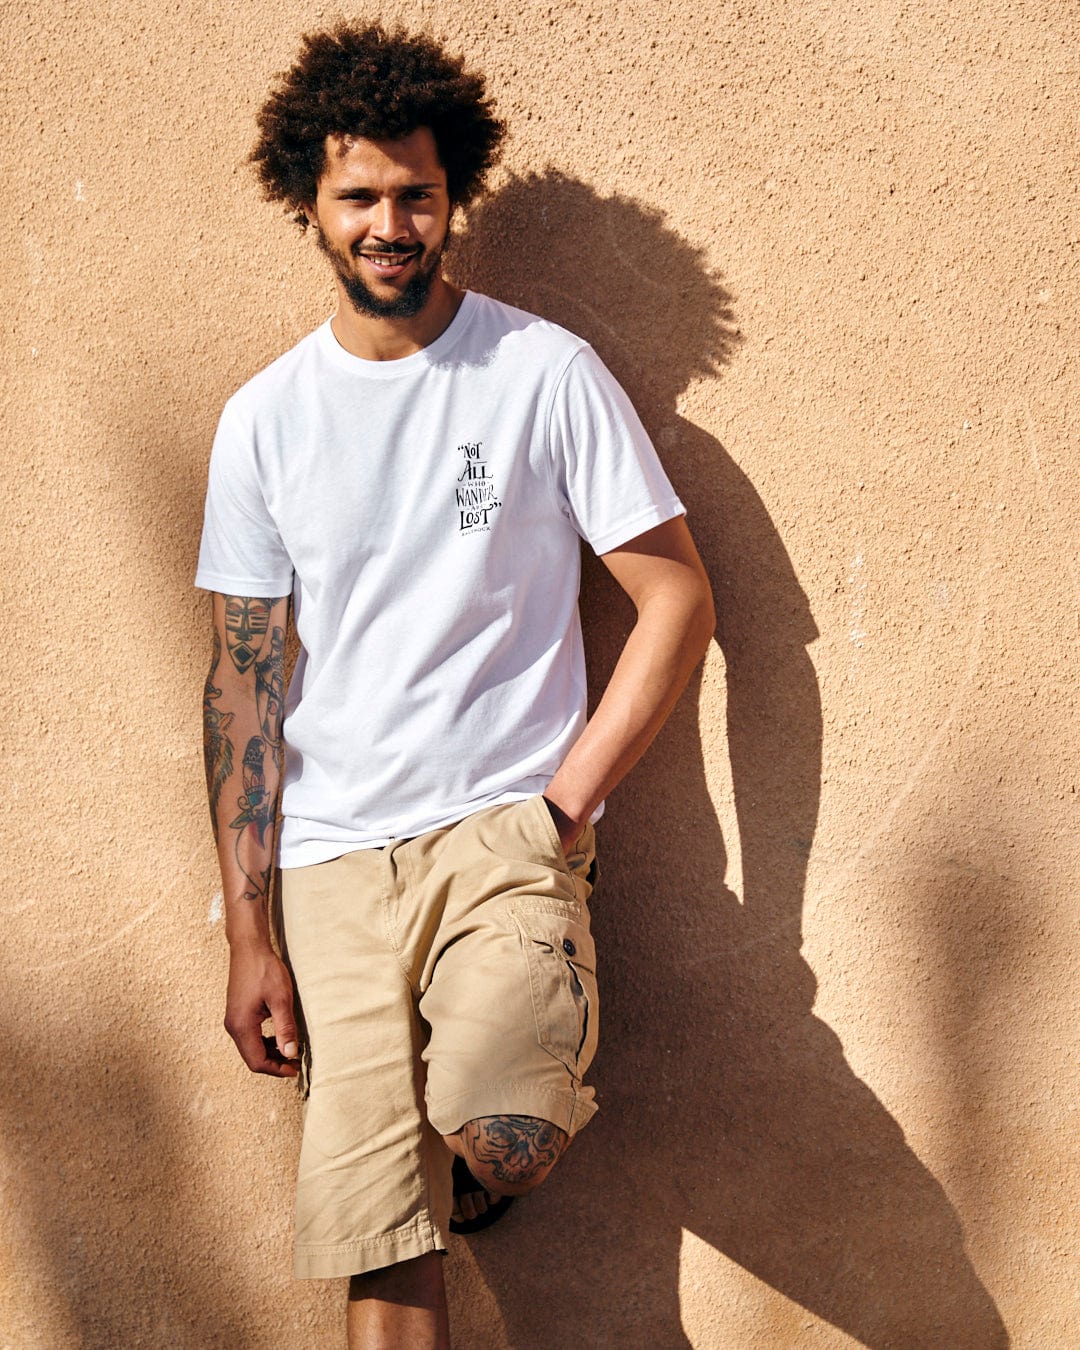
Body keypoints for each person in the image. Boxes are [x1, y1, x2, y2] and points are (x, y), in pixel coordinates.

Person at [197, 21, 714, 1349]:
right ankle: (422, 1156)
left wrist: (562, 809)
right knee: (384, 1248)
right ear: (307, 203)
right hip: (329, 863)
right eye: (358, 195)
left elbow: (676, 601)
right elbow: (248, 682)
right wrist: (253, 933)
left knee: (509, 1126)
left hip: (502, 832)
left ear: (453, 198)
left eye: (413, 194)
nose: (387, 223)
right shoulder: (266, 420)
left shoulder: (539, 373)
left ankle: (466, 1139)